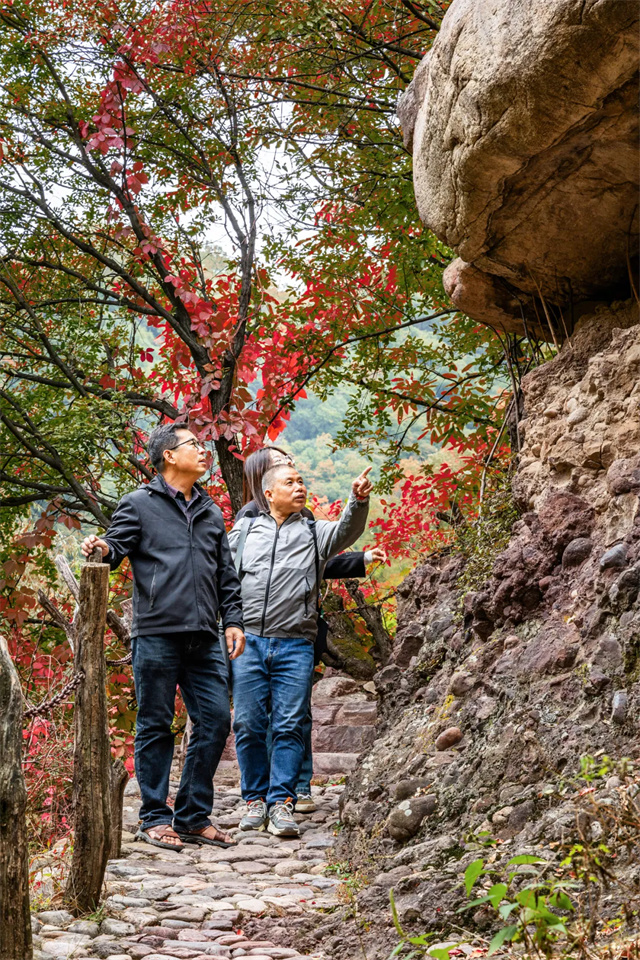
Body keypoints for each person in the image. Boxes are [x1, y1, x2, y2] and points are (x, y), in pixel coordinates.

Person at [81, 423, 245, 852]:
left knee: (215, 720)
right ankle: (153, 817)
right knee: (155, 724)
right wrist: (100, 548)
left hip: (204, 634)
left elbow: (225, 572)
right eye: (194, 444)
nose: (204, 450)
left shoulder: (210, 509)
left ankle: (192, 816)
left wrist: (233, 620)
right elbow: (115, 548)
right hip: (156, 632)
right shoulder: (138, 504)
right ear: (169, 456)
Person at [228, 462, 372, 837]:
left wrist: (357, 500)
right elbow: (223, 579)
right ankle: (254, 800)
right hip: (248, 642)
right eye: (290, 482)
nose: (299, 487)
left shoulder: (313, 531)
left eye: (302, 481)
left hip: (296, 644)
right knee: (247, 724)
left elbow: (346, 531)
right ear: (269, 493)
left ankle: (281, 803)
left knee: (289, 725)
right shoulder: (245, 531)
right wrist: (226, 625)